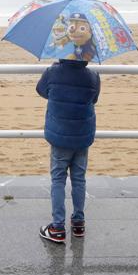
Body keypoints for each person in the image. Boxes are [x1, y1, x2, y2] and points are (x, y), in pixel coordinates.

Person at [36, 58, 101, 243]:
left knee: (58, 178)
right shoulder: (93, 76)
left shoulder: (52, 72)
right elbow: (94, 98)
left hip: (59, 134)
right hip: (82, 134)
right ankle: (78, 222)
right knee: (79, 178)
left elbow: (41, 90)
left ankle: (57, 227)